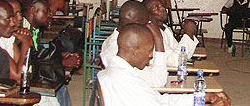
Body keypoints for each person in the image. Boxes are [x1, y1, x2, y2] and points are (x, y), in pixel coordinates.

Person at [97, 23, 230, 106]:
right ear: (135, 51)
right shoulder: (125, 82)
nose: (151, 56)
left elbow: (161, 100)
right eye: (149, 51)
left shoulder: (121, 72)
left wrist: (202, 97)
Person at [21, 0, 81, 106]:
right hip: (25, 76)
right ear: (33, 10)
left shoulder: (35, 28)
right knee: (56, 83)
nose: (49, 15)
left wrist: (64, 55)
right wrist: (60, 61)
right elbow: (29, 59)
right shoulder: (22, 30)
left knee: (60, 84)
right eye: (45, 11)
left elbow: (39, 53)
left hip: (33, 70)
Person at [100, 0, 168, 87]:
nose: (149, 26)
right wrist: (159, 41)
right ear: (136, 25)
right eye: (146, 23)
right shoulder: (124, 53)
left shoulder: (110, 40)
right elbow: (158, 81)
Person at [143, 0, 199, 67]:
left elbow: (184, 55)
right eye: (156, 8)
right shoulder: (151, 32)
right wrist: (188, 34)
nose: (163, 9)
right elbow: (174, 62)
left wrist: (190, 36)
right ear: (147, 15)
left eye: (162, 5)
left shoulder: (165, 28)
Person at [0, 0, 33, 82]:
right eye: (14, 14)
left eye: (20, 13)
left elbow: (24, 68)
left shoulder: (8, 38)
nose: (20, 18)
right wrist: (26, 42)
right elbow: (20, 77)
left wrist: (28, 41)